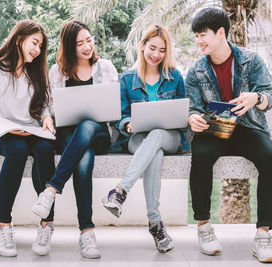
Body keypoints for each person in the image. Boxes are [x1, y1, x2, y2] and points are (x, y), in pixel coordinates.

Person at [185, 7, 272, 263]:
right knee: (201, 156)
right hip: (213, 130)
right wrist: (192, 118)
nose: (199, 41)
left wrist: (255, 98)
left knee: (270, 157)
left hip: (248, 127)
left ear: (220, 32)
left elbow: (270, 96)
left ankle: (263, 235)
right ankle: (204, 228)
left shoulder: (251, 59)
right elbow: (194, 107)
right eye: (196, 35)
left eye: (203, 34)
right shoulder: (195, 70)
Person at [31, 20, 118, 259]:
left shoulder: (106, 67)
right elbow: (47, 105)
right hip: (69, 137)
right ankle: (86, 232)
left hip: (99, 134)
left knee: (88, 125)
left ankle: (52, 188)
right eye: (80, 43)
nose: (87, 46)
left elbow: (114, 104)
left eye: (88, 40)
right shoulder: (58, 71)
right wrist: (47, 115)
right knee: (83, 159)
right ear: (69, 47)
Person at [101, 25, 190, 253]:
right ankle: (155, 222)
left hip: (170, 136)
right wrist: (127, 123)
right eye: (152, 48)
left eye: (162, 50)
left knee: (158, 135)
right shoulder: (127, 78)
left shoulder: (175, 77)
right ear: (142, 46)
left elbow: (183, 113)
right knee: (154, 152)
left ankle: (120, 191)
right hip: (137, 138)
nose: (156, 54)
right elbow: (120, 115)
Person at [0, 20, 56, 257]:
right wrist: (10, 129)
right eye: (35, 43)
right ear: (19, 38)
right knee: (18, 148)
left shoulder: (35, 72)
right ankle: (2, 224)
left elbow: (44, 106)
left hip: (31, 130)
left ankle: (46, 225)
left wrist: (47, 117)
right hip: (0, 133)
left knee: (45, 147)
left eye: (41, 46)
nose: (38, 50)